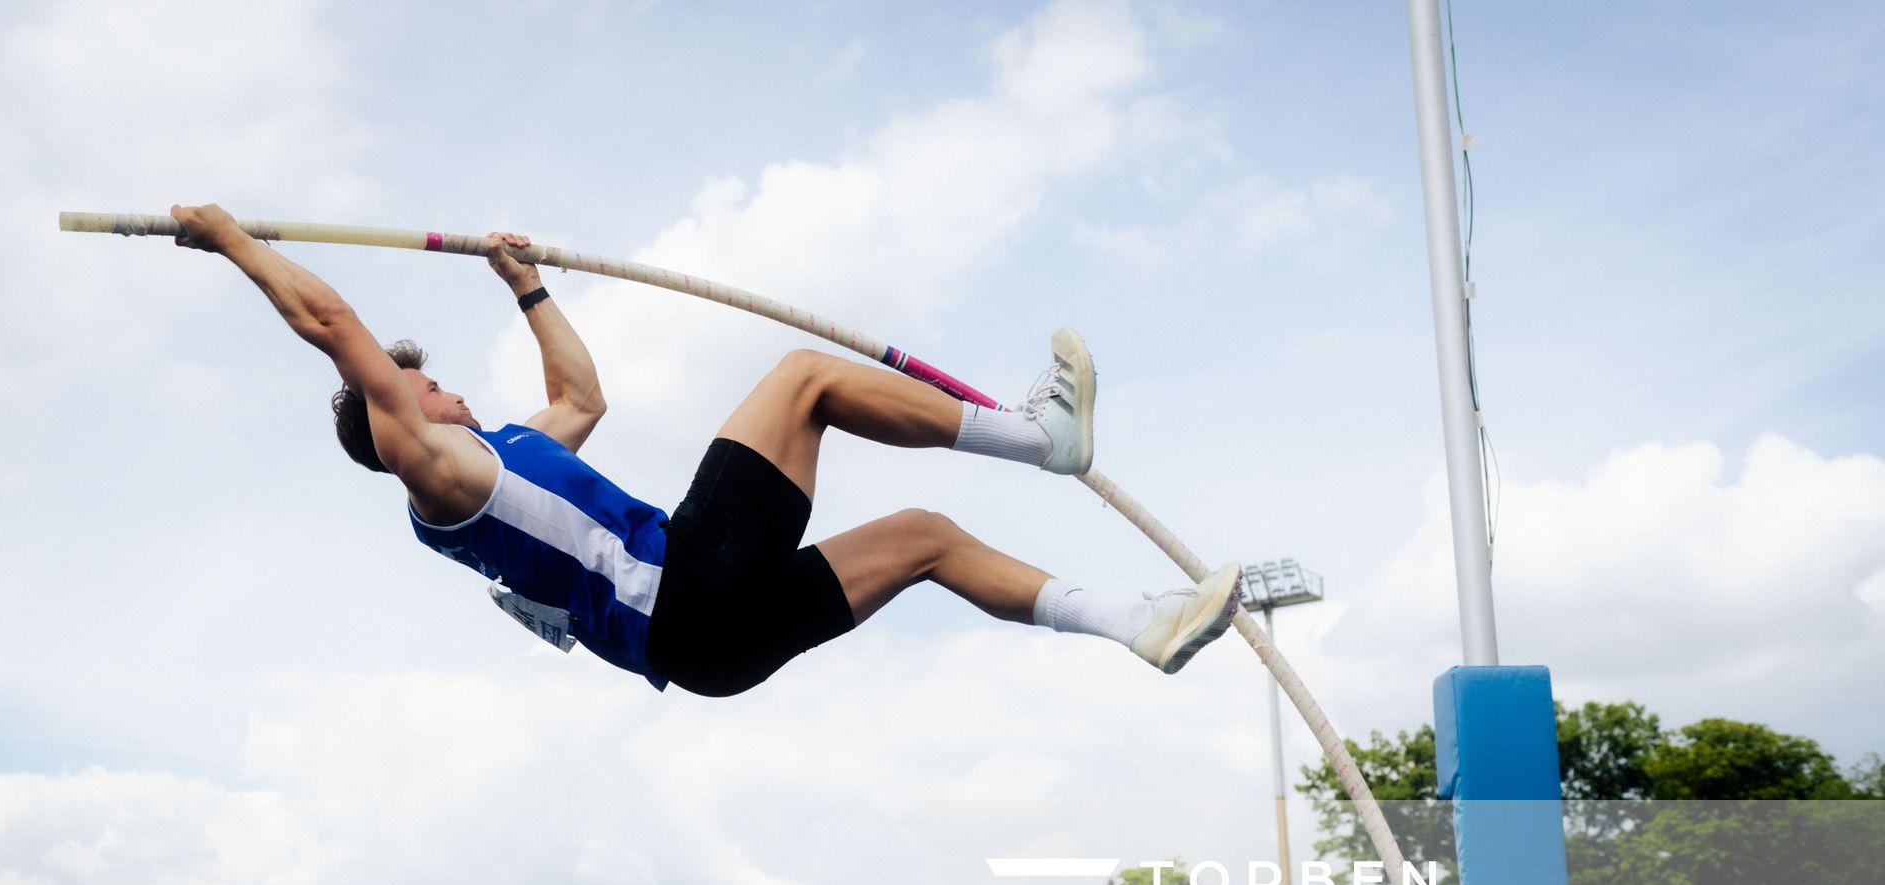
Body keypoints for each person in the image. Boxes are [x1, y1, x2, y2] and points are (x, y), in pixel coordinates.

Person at [168, 203, 1243, 699]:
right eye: (420, 382)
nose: (442, 383)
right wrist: (231, 242)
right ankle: (1040, 438)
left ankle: (1136, 625)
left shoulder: (498, 458)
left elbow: (582, 394)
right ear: (396, 411)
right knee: (799, 379)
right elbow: (330, 321)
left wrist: (527, 286)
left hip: (711, 651)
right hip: (684, 592)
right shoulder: (437, 474)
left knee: (924, 538)